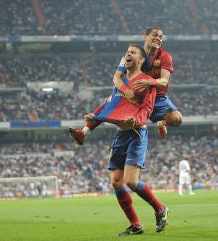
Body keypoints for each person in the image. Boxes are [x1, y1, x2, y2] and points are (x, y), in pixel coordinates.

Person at [78, 44, 169, 236]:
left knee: (131, 181)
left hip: (136, 133)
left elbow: (147, 110)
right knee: (117, 182)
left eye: (133, 52)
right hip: (120, 134)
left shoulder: (147, 81)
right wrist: (95, 116)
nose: (128, 54)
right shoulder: (120, 82)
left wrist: (135, 120)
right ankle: (136, 224)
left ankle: (160, 209)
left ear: (142, 60)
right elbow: (111, 105)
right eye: (127, 52)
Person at [69, 27, 182, 145]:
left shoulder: (165, 56)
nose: (158, 38)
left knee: (177, 120)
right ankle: (84, 133)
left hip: (157, 95)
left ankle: (160, 122)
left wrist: (150, 82)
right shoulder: (132, 53)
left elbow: (164, 81)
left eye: (160, 37)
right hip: (134, 92)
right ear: (145, 37)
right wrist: (126, 91)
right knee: (110, 101)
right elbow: (116, 77)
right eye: (155, 35)